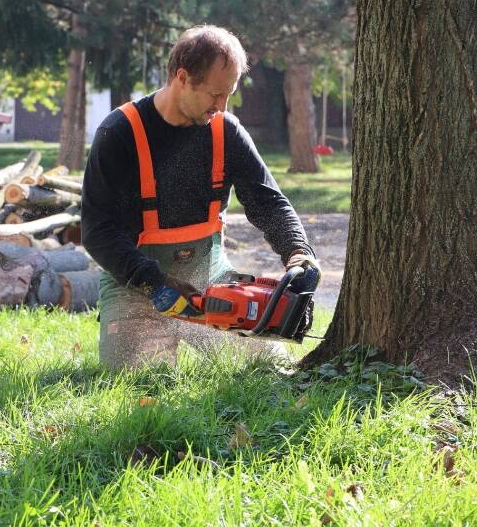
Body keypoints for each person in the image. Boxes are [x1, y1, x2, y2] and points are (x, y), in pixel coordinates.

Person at [82, 25, 321, 369]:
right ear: (183, 76)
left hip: (212, 284)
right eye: (214, 94)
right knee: (144, 382)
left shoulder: (227, 131)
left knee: (269, 369)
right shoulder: (119, 133)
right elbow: (96, 229)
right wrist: (152, 282)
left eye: (229, 95)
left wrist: (299, 254)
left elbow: (267, 201)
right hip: (135, 286)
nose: (221, 106)